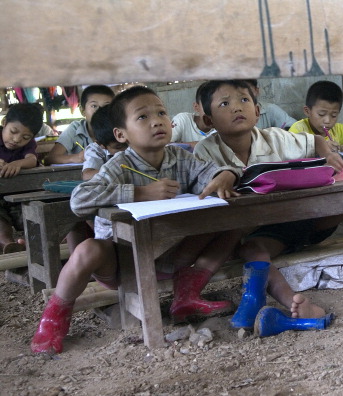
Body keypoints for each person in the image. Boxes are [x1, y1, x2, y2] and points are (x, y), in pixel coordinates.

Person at [30, 86, 241, 354]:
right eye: (142, 117)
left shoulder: (182, 158)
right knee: (87, 249)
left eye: (161, 113)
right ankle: (54, 319)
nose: (156, 121)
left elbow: (218, 171)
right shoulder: (119, 166)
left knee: (233, 225)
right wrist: (139, 193)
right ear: (121, 134)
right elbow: (79, 200)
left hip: (171, 256)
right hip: (121, 262)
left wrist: (226, 175)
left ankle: (186, 296)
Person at [195, 80, 343, 327]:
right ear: (210, 120)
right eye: (225, 103)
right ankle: (290, 305)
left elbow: (314, 142)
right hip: (267, 232)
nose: (237, 108)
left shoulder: (276, 138)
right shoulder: (205, 151)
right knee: (252, 250)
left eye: (244, 100)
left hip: (306, 218)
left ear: (257, 112)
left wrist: (329, 154)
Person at [0, 103, 42, 253]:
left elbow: (31, 160)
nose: (16, 140)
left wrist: (17, 164)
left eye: (25, 137)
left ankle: (31, 245)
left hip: (18, 195)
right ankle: (7, 244)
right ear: (4, 123)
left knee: (33, 215)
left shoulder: (28, 145)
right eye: (13, 131)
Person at [44, 85, 115, 165]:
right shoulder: (75, 129)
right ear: (82, 111)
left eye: (106, 106)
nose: (100, 111)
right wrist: (78, 157)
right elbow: (50, 158)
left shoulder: (118, 129)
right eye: (94, 106)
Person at [82, 105, 128, 181]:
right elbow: (87, 175)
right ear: (101, 144)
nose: (127, 149)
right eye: (119, 147)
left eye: (128, 144)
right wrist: (120, 171)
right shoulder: (95, 149)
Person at [170, 82, 213, 150]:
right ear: (196, 107)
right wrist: (191, 145)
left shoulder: (223, 127)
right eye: (207, 105)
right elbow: (163, 145)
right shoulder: (182, 120)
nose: (212, 111)